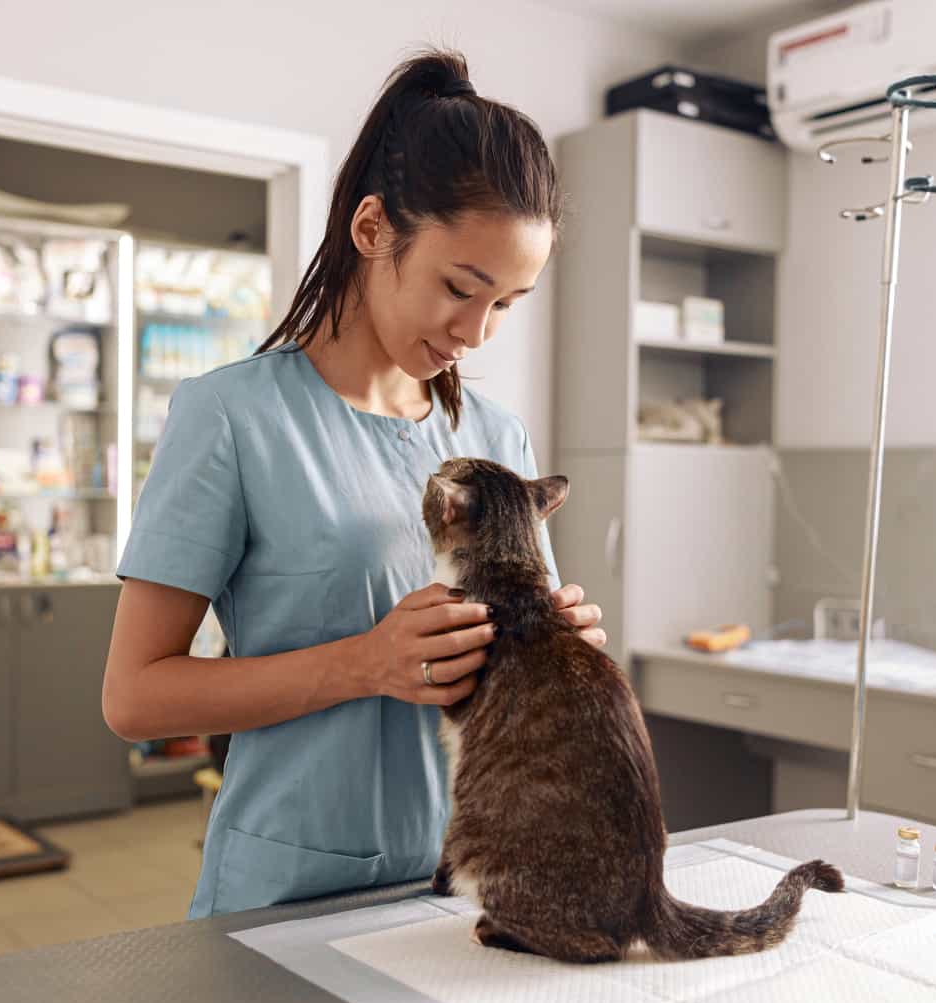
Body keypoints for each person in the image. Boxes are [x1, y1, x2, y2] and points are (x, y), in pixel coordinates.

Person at [102, 48, 606, 916]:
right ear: (373, 230)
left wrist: (556, 649)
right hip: (288, 894)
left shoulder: (495, 439)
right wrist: (365, 664)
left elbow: (499, 681)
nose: (477, 333)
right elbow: (135, 697)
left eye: (506, 304)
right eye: (460, 287)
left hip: (470, 891)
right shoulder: (231, 417)